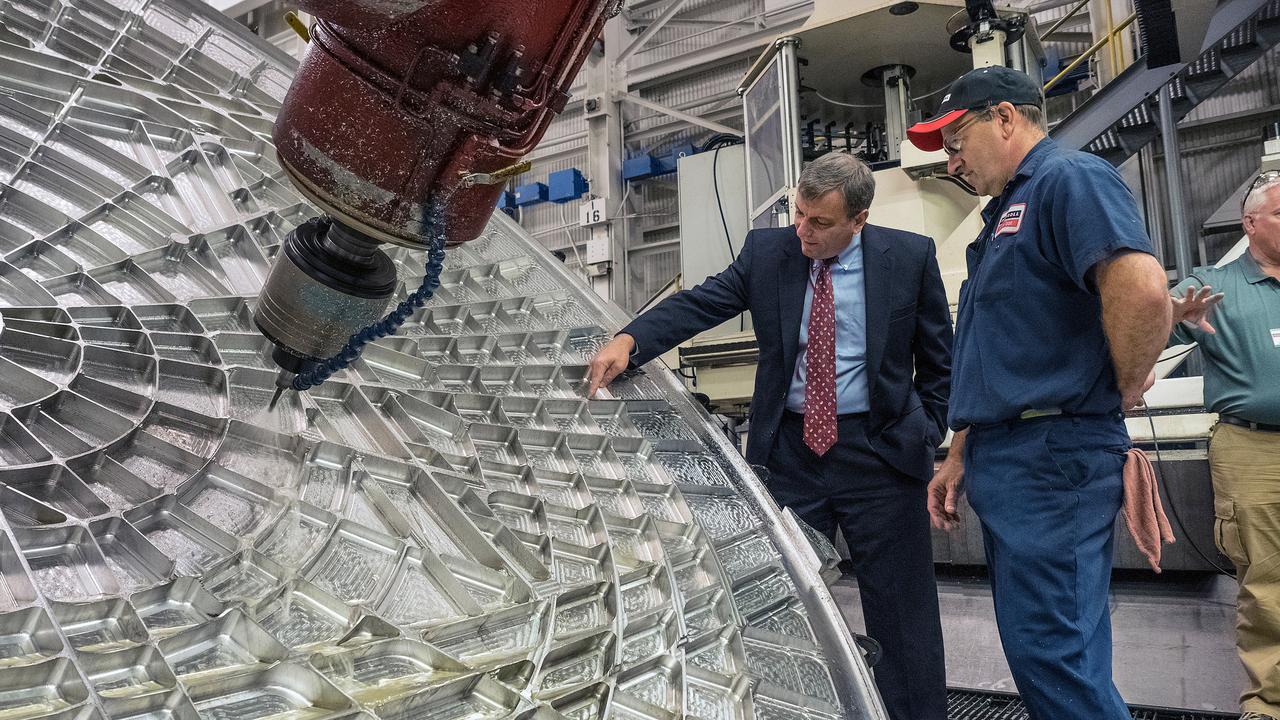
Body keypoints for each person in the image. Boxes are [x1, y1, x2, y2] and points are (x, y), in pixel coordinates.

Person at [585, 152, 952, 720]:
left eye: (819, 223)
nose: (802, 230)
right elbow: (700, 303)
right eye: (798, 214)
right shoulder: (769, 251)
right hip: (791, 454)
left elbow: (938, 361)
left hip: (880, 455)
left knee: (903, 613)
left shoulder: (907, 257)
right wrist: (630, 341)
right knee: (780, 603)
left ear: (859, 219)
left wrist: (926, 430)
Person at [908, 65, 1196, 719]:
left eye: (957, 141)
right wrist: (960, 451)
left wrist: (1120, 388)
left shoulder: (1068, 180)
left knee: (1053, 660)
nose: (951, 162)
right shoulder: (1006, 215)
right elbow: (994, 353)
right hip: (1013, 453)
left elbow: (1144, 290)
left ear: (1006, 118)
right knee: (1057, 651)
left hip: (1050, 456)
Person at [1168, 170, 1280, 720]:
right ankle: (1270, 705)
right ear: (1250, 222)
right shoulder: (1214, 286)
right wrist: (1168, 314)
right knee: (1267, 583)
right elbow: (1143, 326)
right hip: (1253, 451)